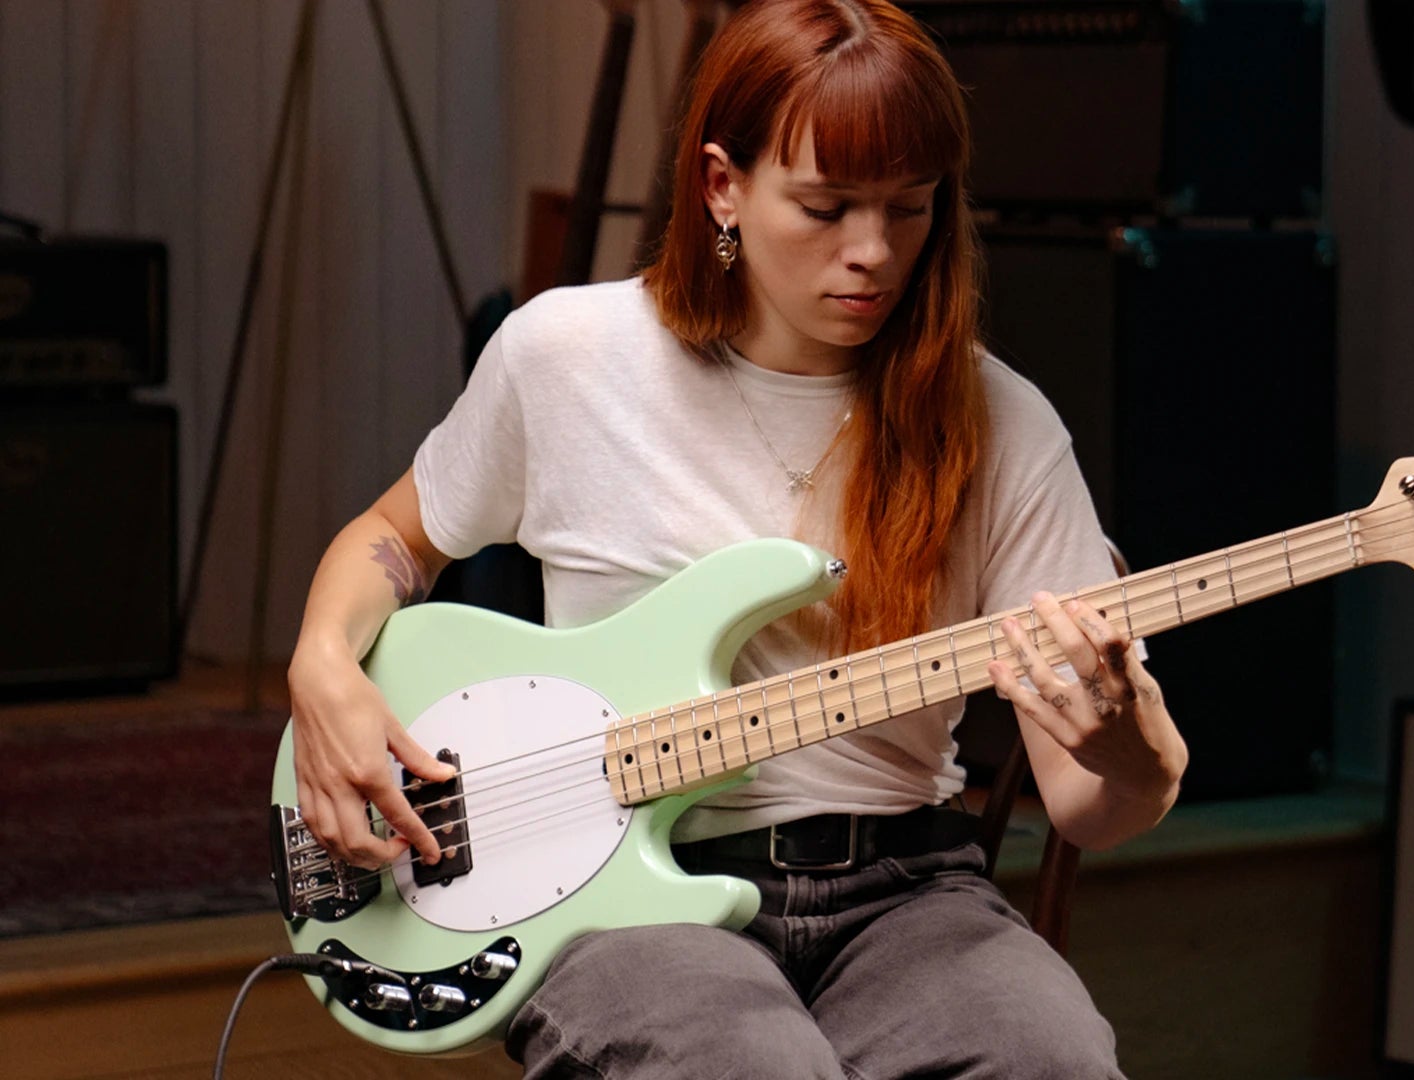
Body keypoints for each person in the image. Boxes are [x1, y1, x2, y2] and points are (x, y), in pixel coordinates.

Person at [287, 0, 1188, 1074]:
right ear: (723, 185)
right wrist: (322, 662)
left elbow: (1087, 807)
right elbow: (395, 536)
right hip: (615, 894)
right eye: (825, 207)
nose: (873, 253)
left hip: (904, 893)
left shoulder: (999, 422)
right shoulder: (566, 357)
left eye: (909, 208)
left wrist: (1134, 751)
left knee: (1055, 1058)